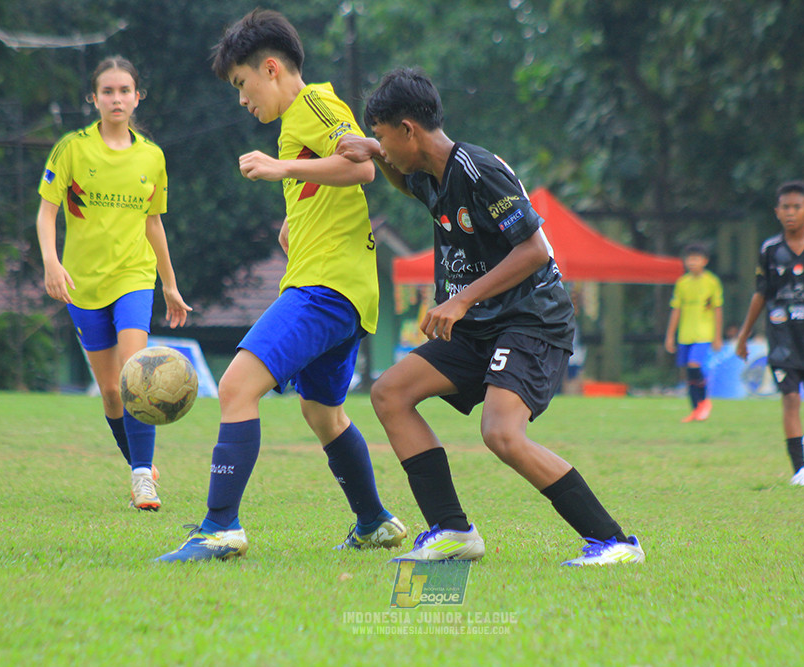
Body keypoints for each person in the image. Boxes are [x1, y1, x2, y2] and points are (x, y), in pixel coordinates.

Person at [336, 67, 644, 567]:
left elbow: (534, 250)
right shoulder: (431, 174)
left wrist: (460, 300)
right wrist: (375, 151)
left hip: (531, 318)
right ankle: (452, 531)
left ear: (409, 130)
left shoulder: (479, 171)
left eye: (383, 135)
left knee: (501, 433)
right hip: (479, 325)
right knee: (390, 393)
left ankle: (615, 542)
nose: (382, 147)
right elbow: (405, 181)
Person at [157, 9, 406, 562]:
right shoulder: (298, 123)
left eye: (241, 83)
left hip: (325, 287)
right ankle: (374, 522)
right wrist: (297, 222)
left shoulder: (313, 105)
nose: (241, 100)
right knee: (322, 413)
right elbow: (332, 180)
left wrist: (281, 169)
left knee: (235, 387)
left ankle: (220, 528)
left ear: (271, 68)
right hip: (343, 289)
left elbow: (362, 166)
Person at [36, 56, 191, 511]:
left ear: (137, 97)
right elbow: (46, 212)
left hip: (133, 277)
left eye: (125, 90)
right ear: (94, 98)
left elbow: (154, 223)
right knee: (110, 392)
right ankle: (139, 465)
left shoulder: (151, 156)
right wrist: (51, 263)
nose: (116, 98)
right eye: (108, 91)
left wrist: (169, 284)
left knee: (135, 374)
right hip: (82, 283)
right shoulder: (72, 149)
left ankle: (143, 480)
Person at [734, 180, 804, 486]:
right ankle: (800, 470)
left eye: (796, 207)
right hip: (782, 339)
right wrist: (744, 335)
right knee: (790, 400)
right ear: (777, 211)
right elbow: (760, 294)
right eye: (785, 207)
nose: (790, 212)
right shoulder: (770, 250)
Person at [664, 243, 724, 422]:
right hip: (685, 334)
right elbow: (676, 309)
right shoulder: (682, 283)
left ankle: (704, 401)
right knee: (688, 372)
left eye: (696, 259)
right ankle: (695, 409)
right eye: (689, 259)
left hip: (704, 334)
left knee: (694, 365)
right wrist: (670, 335)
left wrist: (717, 336)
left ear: (705, 261)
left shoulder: (711, 282)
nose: (692, 262)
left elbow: (717, 309)